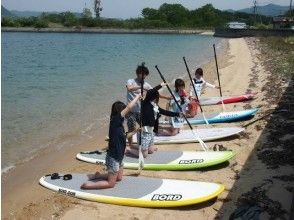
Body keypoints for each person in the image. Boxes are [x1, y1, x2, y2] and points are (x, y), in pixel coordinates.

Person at [81, 94, 141, 190]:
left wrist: (135, 131)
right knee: (111, 184)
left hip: (119, 156)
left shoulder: (119, 125)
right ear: (119, 111)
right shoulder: (116, 120)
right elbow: (130, 107)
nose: (126, 113)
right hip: (113, 157)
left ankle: (98, 175)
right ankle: (88, 185)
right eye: (124, 110)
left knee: (119, 178)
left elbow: (125, 136)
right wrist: (138, 96)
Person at [125, 83, 181, 158]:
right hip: (144, 133)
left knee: (151, 151)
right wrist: (160, 85)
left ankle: (139, 148)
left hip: (151, 132)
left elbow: (165, 112)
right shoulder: (144, 104)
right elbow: (151, 91)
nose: (157, 99)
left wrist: (177, 114)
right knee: (144, 155)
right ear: (153, 97)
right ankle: (128, 149)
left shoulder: (155, 106)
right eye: (156, 97)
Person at [125, 63, 152, 148]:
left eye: (145, 76)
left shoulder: (147, 85)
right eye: (142, 75)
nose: (144, 77)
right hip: (130, 111)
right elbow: (129, 89)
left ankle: (142, 144)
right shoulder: (131, 81)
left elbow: (154, 93)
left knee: (143, 128)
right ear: (137, 74)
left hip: (141, 111)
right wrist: (140, 88)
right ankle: (130, 145)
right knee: (131, 129)